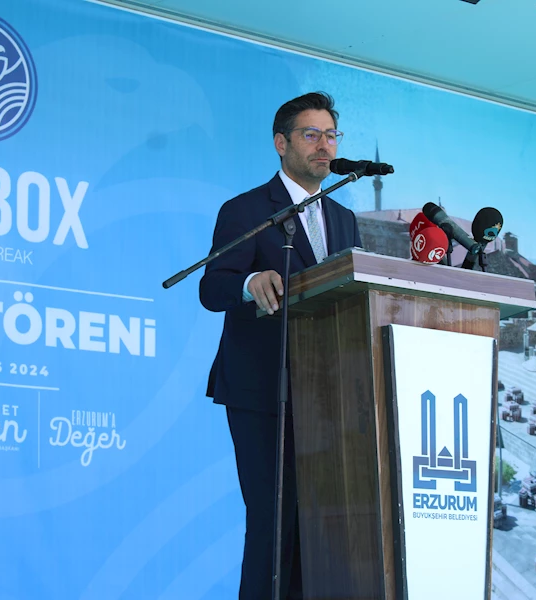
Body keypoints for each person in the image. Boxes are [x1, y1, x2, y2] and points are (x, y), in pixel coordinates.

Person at [199, 91, 362, 600]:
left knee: (319, 527)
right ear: (281, 143)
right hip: (262, 390)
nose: (324, 146)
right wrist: (250, 283)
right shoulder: (247, 210)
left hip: (327, 396)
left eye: (331, 136)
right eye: (311, 135)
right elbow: (212, 288)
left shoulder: (345, 219)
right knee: (274, 524)